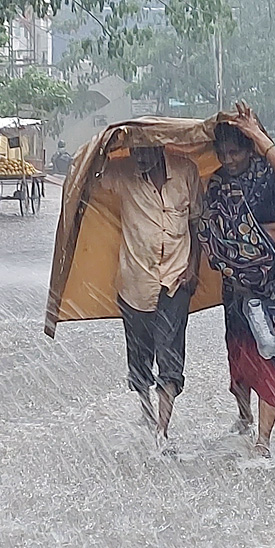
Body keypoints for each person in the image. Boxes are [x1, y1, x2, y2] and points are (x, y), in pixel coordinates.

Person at [199, 103, 275, 457]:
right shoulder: (219, 184)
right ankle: (244, 416)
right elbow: (208, 230)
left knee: (271, 356)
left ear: (250, 147)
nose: (229, 159)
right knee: (241, 355)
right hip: (239, 284)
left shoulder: (271, 174)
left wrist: (257, 135)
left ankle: (263, 439)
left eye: (235, 151)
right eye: (223, 153)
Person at [99, 145, 203, 453]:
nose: (140, 158)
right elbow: (88, 177)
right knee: (140, 358)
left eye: (146, 150)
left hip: (176, 279)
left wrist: (193, 266)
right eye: (135, 151)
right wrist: (104, 145)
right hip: (135, 283)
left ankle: (162, 431)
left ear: (160, 145)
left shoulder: (185, 171)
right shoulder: (122, 173)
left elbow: (197, 222)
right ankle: (145, 412)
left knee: (170, 355)